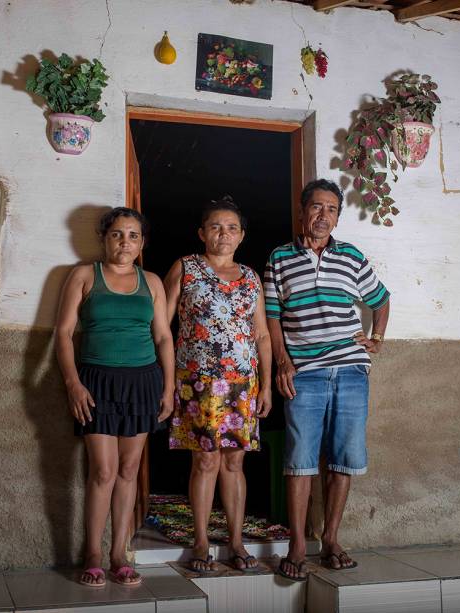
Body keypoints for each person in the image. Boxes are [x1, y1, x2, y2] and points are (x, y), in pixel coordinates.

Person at [264, 179, 391, 581]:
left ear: (338, 216)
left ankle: (332, 539)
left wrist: (376, 339)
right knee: (300, 458)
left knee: (344, 456)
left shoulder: (351, 256)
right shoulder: (279, 258)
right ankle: (298, 545)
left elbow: (381, 298)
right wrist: (283, 362)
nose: (323, 216)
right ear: (302, 212)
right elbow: (271, 316)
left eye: (332, 209)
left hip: (351, 369)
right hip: (306, 372)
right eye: (316, 207)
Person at [56, 207, 175, 587]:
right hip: (97, 381)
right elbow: (63, 334)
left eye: (134, 235)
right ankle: (92, 553)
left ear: (142, 242)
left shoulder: (152, 281)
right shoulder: (83, 276)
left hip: (143, 382)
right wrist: (73, 383)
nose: (126, 242)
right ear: (105, 238)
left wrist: (168, 387)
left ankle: (118, 554)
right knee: (103, 470)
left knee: (128, 470)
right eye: (118, 234)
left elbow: (163, 337)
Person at [163, 197, 273, 573]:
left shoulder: (251, 277)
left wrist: (267, 386)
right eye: (215, 227)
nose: (223, 234)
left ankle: (237, 542)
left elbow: (261, 336)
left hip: (242, 383)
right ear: (201, 233)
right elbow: (160, 327)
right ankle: (201, 541)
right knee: (205, 460)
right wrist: (164, 381)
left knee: (235, 461)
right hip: (198, 383)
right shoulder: (186, 268)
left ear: (241, 236)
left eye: (231, 228)